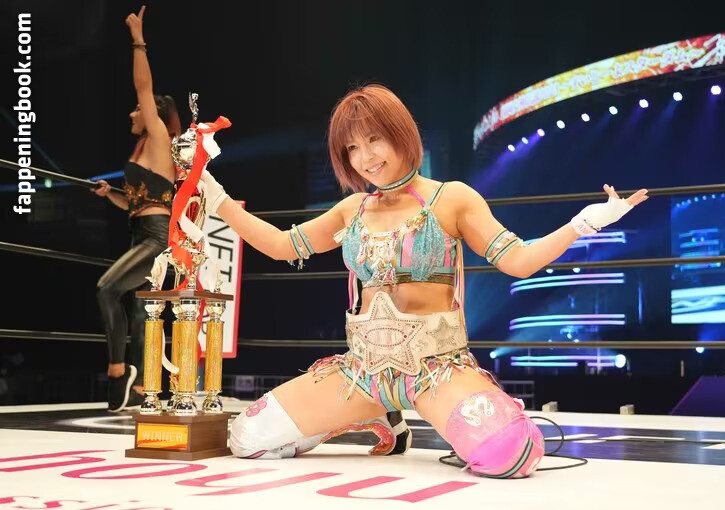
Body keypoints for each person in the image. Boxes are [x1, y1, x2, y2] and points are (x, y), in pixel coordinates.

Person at [199, 84, 648, 477]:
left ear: (400, 134)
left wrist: (585, 223)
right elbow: (282, 245)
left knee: (511, 452)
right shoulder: (352, 209)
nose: (365, 157)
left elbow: (519, 261)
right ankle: (371, 415)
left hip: (437, 370)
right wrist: (217, 199)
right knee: (247, 437)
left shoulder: (451, 199)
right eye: (352, 148)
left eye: (374, 139)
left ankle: (409, 412)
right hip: (361, 373)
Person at [91, 6, 180, 412]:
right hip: (140, 231)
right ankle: (144, 387)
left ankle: (117, 370)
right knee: (139, 308)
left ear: (151, 115)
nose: (132, 113)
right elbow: (137, 201)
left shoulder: (158, 137)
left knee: (107, 289)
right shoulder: (142, 147)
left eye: (138, 109)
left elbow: (144, 87)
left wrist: (138, 40)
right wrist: (110, 194)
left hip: (156, 237)